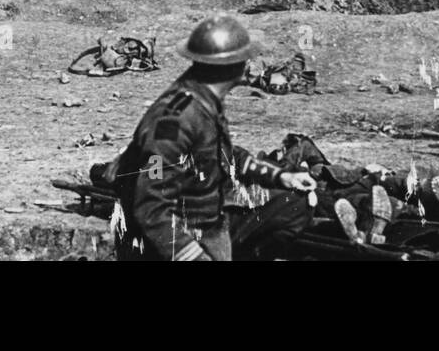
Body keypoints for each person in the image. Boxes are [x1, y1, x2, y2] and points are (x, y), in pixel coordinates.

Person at [110, 15, 317, 260]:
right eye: (244, 58)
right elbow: (151, 207)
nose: (250, 63)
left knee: (294, 203)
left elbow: (224, 156)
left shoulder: (204, 102)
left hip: (208, 219)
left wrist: (280, 175)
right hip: (175, 236)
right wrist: (191, 256)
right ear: (230, 66)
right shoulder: (172, 123)